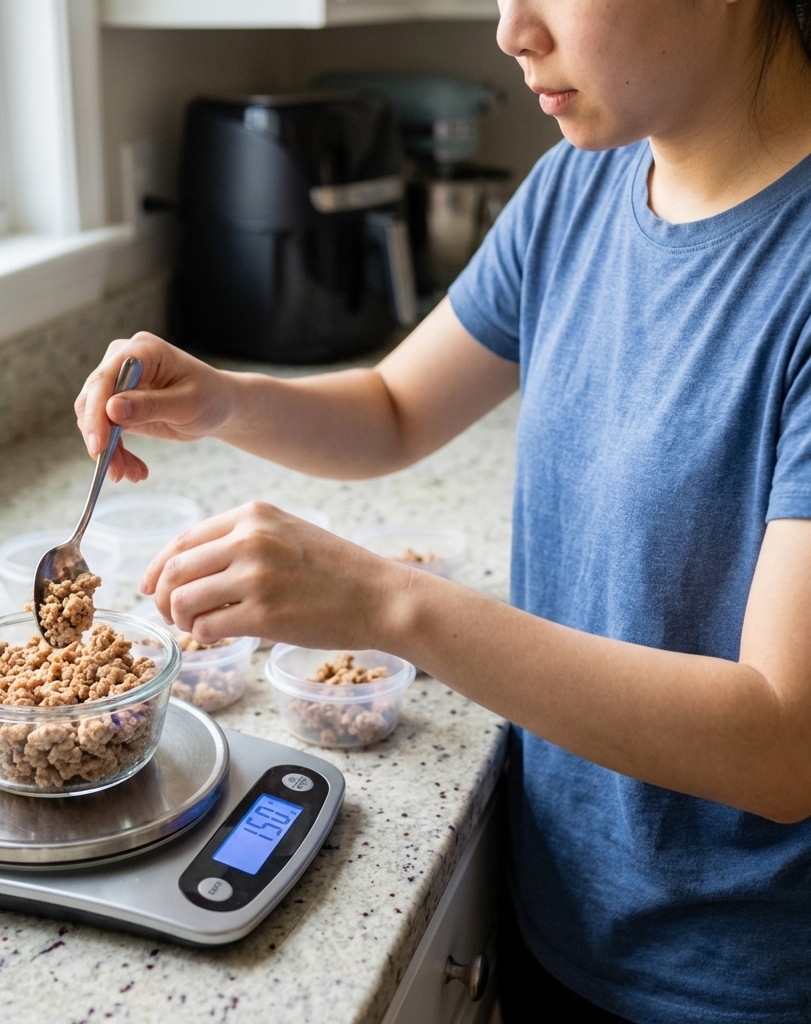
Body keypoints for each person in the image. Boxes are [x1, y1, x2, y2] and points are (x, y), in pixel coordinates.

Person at [76, 0, 811, 1019]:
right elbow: (392, 408)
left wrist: (387, 602)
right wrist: (228, 399)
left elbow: (783, 746)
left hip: (734, 982)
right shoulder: (579, 185)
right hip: (556, 907)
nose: (511, 32)